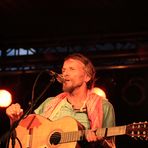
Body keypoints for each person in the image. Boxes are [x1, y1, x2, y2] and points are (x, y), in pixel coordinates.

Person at [6, 53, 116, 147]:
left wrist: (98, 143)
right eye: (63, 70)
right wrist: (15, 120)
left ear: (87, 77)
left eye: (72, 69)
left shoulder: (104, 106)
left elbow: (110, 144)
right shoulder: (50, 103)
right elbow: (23, 134)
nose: (65, 73)